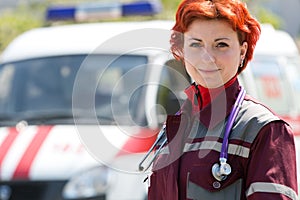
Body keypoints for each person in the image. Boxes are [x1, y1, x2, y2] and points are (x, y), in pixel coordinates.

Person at [146, 0, 298, 199]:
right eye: (196, 44)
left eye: (221, 45)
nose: (207, 57)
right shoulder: (176, 126)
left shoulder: (264, 130)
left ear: (242, 51)